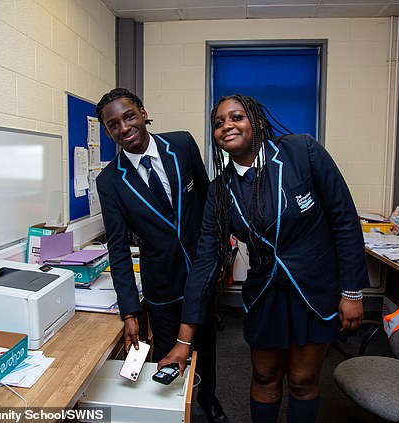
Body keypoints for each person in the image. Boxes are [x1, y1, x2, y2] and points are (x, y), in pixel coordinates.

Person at [158, 94, 369, 423]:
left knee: (302, 381)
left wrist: (352, 292)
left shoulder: (302, 151)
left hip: (313, 290)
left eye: (236, 117)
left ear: (256, 122)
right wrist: (183, 341)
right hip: (266, 293)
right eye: (218, 123)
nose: (227, 125)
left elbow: (344, 218)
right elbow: (204, 263)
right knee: (265, 377)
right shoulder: (219, 190)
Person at [95, 88, 229, 423]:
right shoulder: (110, 181)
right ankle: (173, 410)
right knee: (169, 353)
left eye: (128, 116)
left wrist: (219, 251)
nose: (123, 127)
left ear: (142, 111)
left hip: (201, 270)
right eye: (113, 125)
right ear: (109, 132)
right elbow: (118, 249)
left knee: (206, 345)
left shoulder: (181, 145)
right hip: (162, 284)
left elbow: (209, 198)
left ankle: (209, 400)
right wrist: (129, 312)